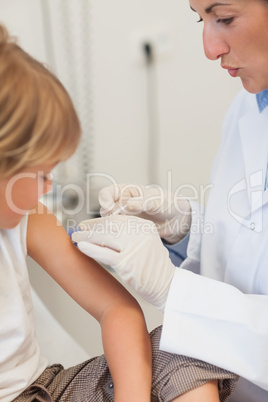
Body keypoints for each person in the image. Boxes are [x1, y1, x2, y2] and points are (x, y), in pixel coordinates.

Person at [0, 23, 238, 402]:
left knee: (188, 351)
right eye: (42, 174)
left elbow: (117, 309)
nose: (48, 188)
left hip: (49, 388)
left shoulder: (30, 216)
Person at [73, 1, 268, 401]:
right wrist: (186, 233)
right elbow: (250, 245)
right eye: (201, 18)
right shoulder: (250, 105)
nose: (209, 48)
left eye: (225, 19)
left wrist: (173, 289)